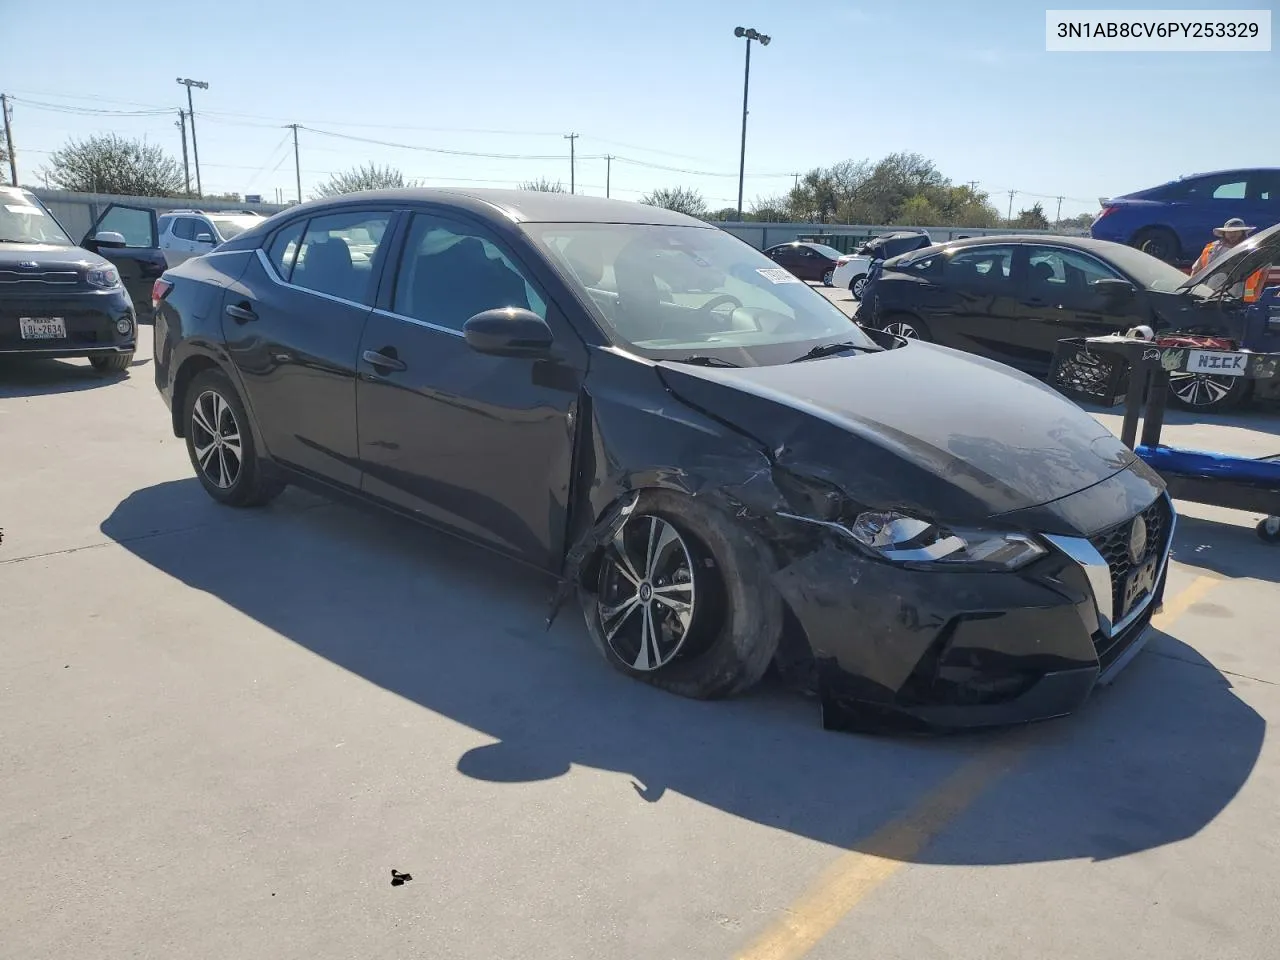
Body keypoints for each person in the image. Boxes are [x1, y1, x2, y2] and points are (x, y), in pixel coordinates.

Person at [1192, 217, 1256, 272]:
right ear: (1224, 233)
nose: (1232, 234)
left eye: (1236, 231)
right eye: (1229, 232)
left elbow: (1262, 273)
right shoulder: (1212, 248)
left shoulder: (1251, 250)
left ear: (1243, 233)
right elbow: (1196, 269)